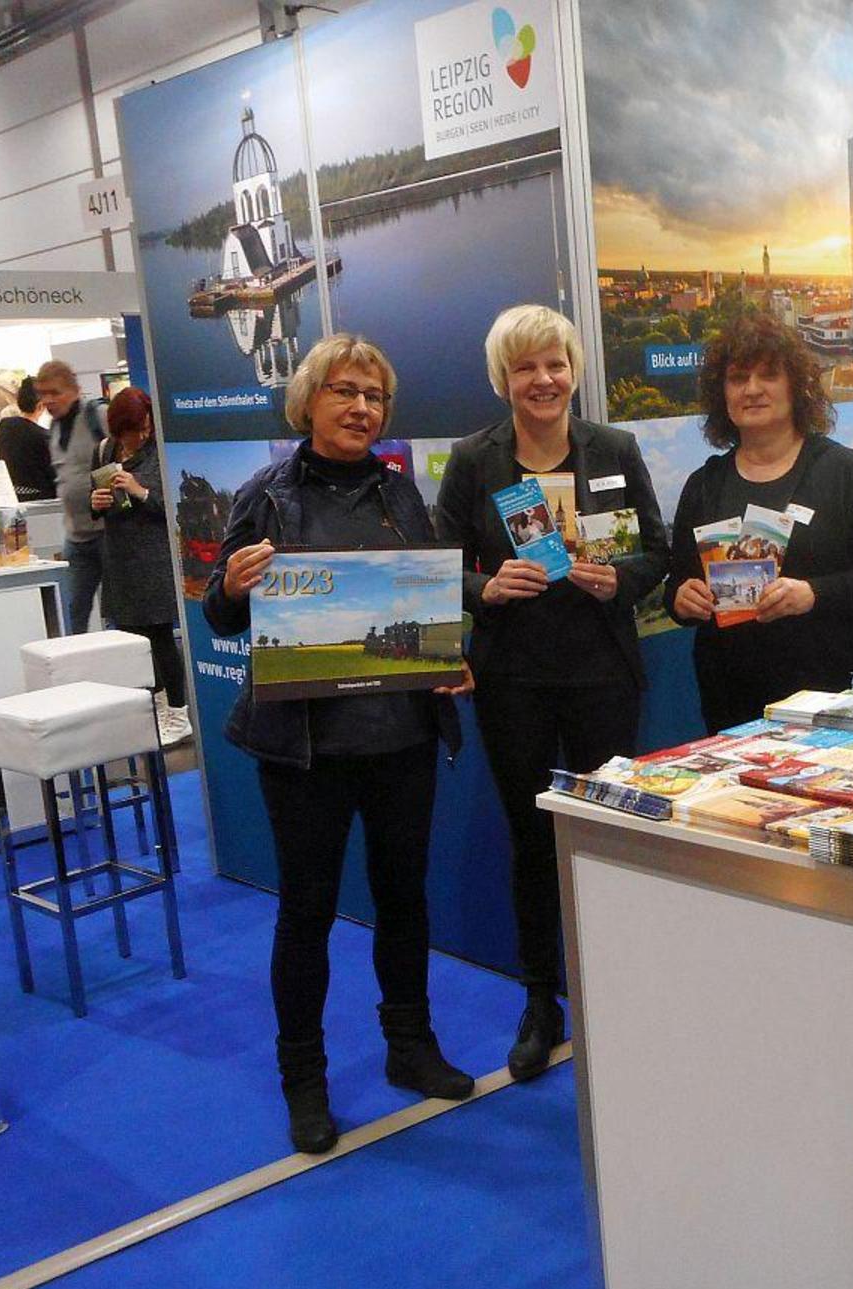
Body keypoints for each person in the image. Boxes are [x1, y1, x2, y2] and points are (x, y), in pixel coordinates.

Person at [203, 333, 476, 1155]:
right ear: (310, 401)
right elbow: (220, 614)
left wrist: (450, 652)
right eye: (346, 392)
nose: (362, 409)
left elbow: (430, 596)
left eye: (375, 397)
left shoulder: (402, 495)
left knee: (404, 897)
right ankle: (305, 1080)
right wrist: (231, 585)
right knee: (308, 913)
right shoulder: (264, 494)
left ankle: (410, 1046)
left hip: (401, 736)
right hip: (306, 748)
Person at [435, 305, 670, 1082]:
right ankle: (543, 1001)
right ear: (504, 379)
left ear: (573, 369)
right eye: (526, 367)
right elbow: (437, 570)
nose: (543, 380)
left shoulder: (615, 448)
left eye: (555, 363)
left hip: (603, 672)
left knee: (609, 836)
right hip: (517, 683)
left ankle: (621, 985)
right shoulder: (474, 462)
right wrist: (485, 584)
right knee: (533, 844)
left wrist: (622, 577)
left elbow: (658, 552)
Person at [664, 312, 853, 731]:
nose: (753, 389)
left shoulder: (844, 472)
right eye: (739, 378)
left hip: (830, 702)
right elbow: (678, 587)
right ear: (721, 393)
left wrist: (812, 594)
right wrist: (682, 601)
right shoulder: (704, 485)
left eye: (768, 376)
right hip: (732, 707)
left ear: (795, 386)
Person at [89, 387, 188, 746]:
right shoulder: (103, 451)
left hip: (154, 558)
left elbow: (172, 508)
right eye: (134, 430)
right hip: (119, 558)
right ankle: (159, 706)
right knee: (133, 640)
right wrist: (96, 502)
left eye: (145, 426)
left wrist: (139, 490)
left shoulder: (161, 451)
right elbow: (95, 507)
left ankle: (179, 712)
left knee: (160, 637)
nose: (141, 435)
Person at [34, 359, 106, 633]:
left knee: (120, 609)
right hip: (76, 536)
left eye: (55, 392)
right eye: (43, 394)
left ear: (74, 390)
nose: (48, 400)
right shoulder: (54, 428)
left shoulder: (97, 416)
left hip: (107, 532)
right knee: (74, 610)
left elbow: (129, 454)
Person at [0, 377, 56, 501]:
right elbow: (53, 475)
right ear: (41, 406)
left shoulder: (4, 428)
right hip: (43, 501)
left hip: (12, 498)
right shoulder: (43, 436)